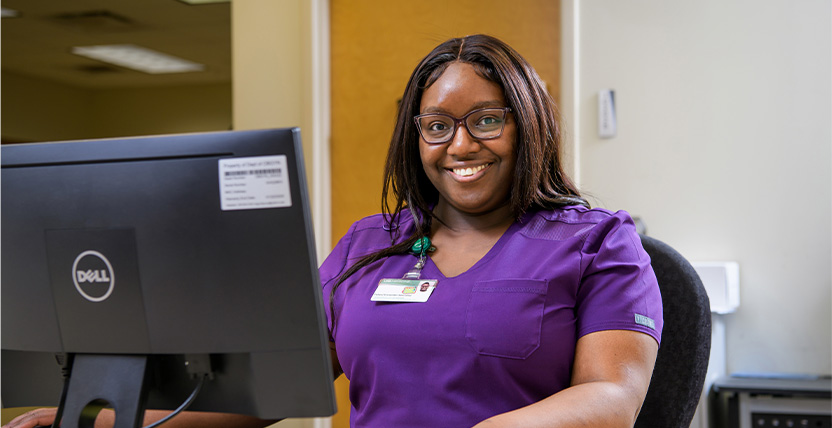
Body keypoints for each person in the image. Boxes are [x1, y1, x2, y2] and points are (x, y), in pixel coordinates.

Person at [4, 34, 662, 428]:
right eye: (437, 125)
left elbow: (612, 398)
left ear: (528, 125)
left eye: (487, 120)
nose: (461, 144)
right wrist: (100, 419)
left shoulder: (597, 242)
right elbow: (270, 392)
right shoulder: (368, 244)